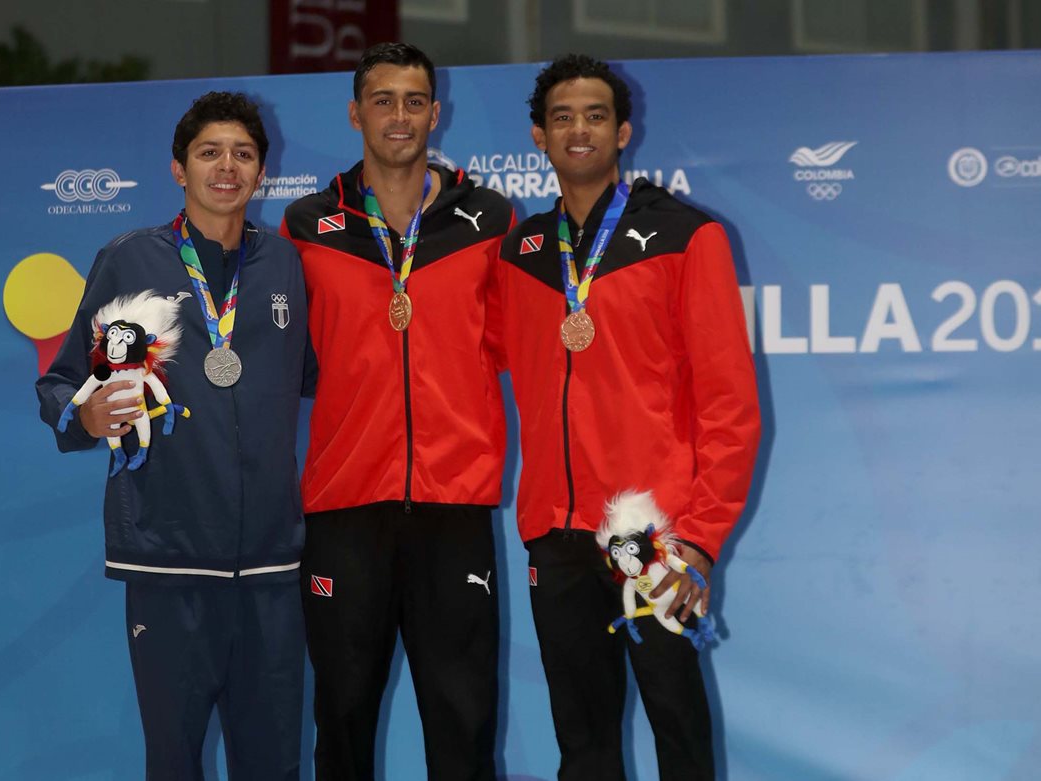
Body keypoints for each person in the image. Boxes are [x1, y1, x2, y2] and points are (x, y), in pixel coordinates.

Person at [492, 55, 761, 780]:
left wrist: (699, 541)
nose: (579, 129)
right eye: (562, 117)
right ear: (538, 137)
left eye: (596, 115)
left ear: (624, 131)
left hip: (653, 535)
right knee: (582, 744)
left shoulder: (687, 236)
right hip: (556, 532)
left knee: (678, 728)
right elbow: (463, 362)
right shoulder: (517, 255)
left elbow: (731, 406)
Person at [36, 91, 315, 781]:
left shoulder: (284, 265)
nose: (228, 166)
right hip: (168, 560)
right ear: (178, 169)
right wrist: (86, 416)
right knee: (174, 763)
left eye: (244, 154)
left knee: (276, 762)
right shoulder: (132, 261)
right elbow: (64, 382)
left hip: (271, 567)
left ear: (261, 172)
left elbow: (308, 377)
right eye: (210, 152)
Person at [280, 42, 514, 781]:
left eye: (415, 101)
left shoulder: (490, 220)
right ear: (355, 113)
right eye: (383, 100)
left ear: (435, 113)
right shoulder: (307, 225)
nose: (399, 115)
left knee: (464, 721)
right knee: (342, 719)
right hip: (344, 506)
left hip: (455, 506)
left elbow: (527, 350)